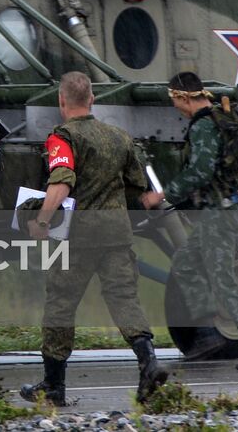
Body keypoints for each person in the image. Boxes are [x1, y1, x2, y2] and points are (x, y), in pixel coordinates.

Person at [19, 71, 167, 406]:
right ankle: (149, 363)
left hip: (78, 238)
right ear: (92, 100)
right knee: (124, 301)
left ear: (61, 101)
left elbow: (61, 182)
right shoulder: (119, 137)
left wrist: (42, 220)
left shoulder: (62, 137)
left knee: (60, 305)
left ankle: (54, 386)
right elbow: (136, 187)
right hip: (117, 234)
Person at [141, 71, 238, 370]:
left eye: (173, 99)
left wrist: (164, 195)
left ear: (181, 96)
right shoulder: (217, 120)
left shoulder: (204, 126)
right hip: (221, 209)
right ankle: (207, 333)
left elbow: (200, 172)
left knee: (222, 280)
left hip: (221, 212)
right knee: (185, 264)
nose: (174, 106)